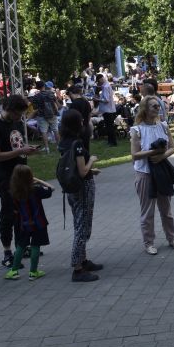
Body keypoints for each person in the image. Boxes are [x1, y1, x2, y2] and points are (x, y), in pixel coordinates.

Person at [0, 95, 39, 268]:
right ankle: (7, 252)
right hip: (6, 177)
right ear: (9, 109)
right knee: (8, 213)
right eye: (18, 113)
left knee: (23, 212)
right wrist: (20, 152)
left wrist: (26, 151)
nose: (20, 117)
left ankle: (21, 246)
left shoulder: (15, 123)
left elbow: (17, 146)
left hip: (20, 174)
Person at [130, 96, 174, 255]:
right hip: (144, 173)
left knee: (166, 210)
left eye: (158, 106)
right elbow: (135, 154)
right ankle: (149, 243)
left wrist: (162, 156)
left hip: (162, 172)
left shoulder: (163, 126)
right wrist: (154, 152)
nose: (157, 108)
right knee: (147, 211)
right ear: (145, 108)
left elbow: (172, 147)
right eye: (153, 106)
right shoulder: (137, 129)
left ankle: (172, 238)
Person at [58, 110, 102, 282]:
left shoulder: (63, 142)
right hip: (83, 188)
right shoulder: (77, 144)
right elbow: (83, 171)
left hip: (72, 188)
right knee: (82, 228)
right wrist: (92, 160)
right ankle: (77, 268)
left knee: (78, 222)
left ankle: (83, 260)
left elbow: (73, 168)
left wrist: (90, 169)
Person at [4, 166, 53, 281]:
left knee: (21, 245)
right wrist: (39, 180)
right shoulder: (36, 189)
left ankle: (14, 271)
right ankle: (33, 272)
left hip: (24, 223)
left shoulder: (13, 192)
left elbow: (15, 210)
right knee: (35, 246)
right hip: (39, 222)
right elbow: (51, 188)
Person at [28, 81, 59, 154]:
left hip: (42, 116)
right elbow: (56, 103)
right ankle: (58, 146)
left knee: (44, 132)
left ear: (37, 87)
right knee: (55, 130)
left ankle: (47, 148)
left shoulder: (36, 96)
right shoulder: (51, 94)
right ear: (44, 86)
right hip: (52, 114)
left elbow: (35, 108)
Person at [66, 85, 93, 151]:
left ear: (71, 93)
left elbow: (72, 119)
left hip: (77, 130)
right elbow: (89, 115)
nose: (69, 97)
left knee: (78, 152)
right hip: (86, 128)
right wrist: (86, 123)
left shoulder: (74, 104)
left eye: (69, 95)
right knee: (86, 150)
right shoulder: (86, 102)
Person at [97, 73, 117, 147]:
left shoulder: (105, 87)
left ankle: (112, 142)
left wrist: (98, 99)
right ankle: (111, 141)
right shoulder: (107, 85)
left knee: (109, 127)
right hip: (110, 109)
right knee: (110, 126)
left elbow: (106, 100)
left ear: (99, 80)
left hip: (107, 110)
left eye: (98, 81)